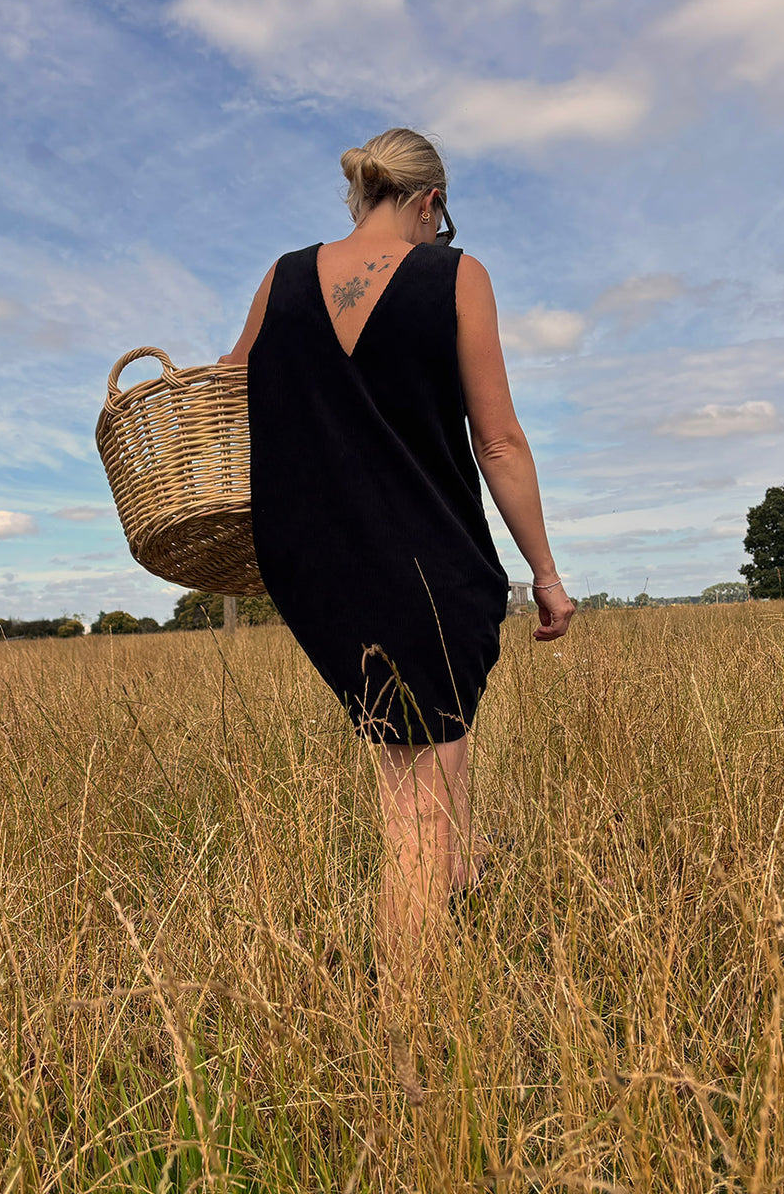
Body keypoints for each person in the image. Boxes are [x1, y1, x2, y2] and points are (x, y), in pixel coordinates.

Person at [218, 127, 574, 1023]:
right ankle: (406, 1042)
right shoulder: (457, 277)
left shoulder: (283, 277)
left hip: (317, 571)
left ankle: (465, 888)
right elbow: (497, 439)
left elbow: (225, 391)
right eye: (439, 220)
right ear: (427, 203)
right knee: (417, 804)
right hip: (427, 563)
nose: (438, 233)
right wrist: (546, 573)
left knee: (422, 767)